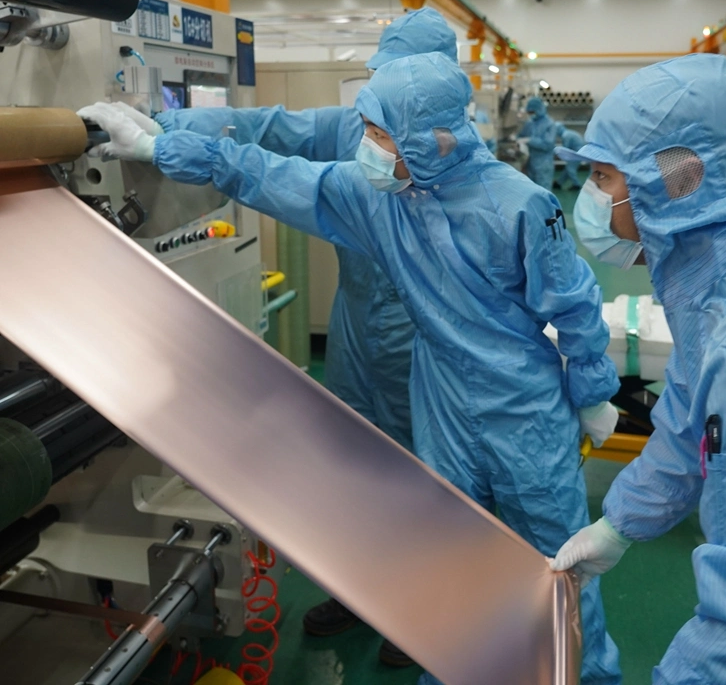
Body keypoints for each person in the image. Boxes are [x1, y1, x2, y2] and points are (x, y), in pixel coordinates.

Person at [81, 51, 623, 685]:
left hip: (524, 408)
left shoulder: (523, 205)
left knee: (557, 566)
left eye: (378, 133)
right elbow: (275, 174)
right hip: (441, 398)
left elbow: (576, 303)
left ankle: (584, 676)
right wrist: (160, 144)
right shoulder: (380, 198)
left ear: (432, 138)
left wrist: (591, 389)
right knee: (452, 556)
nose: (366, 146)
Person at [92, 7, 459, 667]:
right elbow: (265, 130)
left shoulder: (460, 158)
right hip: (355, 333)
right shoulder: (353, 131)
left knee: (425, 477)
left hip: (425, 343)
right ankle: (360, 591)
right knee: (349, 465)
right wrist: (161, 127)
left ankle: (423, 607)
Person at [550, 53, 726, 684]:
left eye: (605, 177)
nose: (594, 197)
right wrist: (620, 522)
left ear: (676, 178)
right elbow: (690, 425)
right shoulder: (724, 283)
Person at [518, 95, 556, 190]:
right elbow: (521, 135)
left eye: (533, 112)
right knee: (532, 191)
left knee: (544, 191)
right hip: (530, 163)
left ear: (539, 109)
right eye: (529, 112)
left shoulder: (550, 124)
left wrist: (530, 140)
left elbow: (548, 144)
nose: (531, 114)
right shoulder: (530, 123)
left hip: (544, 164)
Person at [553, 122, 583, 190]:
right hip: (577, 152)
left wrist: (557, 155)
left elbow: (565, 149)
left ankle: (577, 185)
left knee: (570, 170)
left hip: (576, 154)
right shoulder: (568, 133)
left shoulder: (565, 135)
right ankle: (559, 183)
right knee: (567, 169)